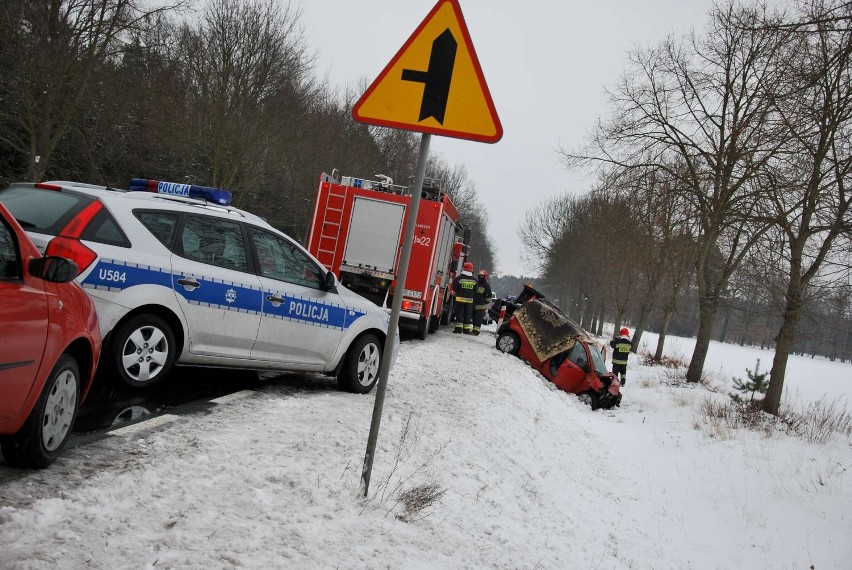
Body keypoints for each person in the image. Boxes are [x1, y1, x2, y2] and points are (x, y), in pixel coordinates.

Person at [452, 261, 477, 334]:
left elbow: (454, 288)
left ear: (463, 269)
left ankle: (458, 330)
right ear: (472, 270)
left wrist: (459, 292)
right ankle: (466, 330)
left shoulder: (459, 278)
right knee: (467, 315)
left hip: (459, 300)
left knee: (459, 315)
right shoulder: (475, 280)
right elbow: (476, 291)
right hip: (469, 301)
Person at [471, 269, 492, 336]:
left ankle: (476, 332)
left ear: (485, 277)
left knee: (478, 320)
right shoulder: (476, 283)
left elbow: (488, 297)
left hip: (481, 307)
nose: (480, 277)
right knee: (474, 319)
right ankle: (474, 330)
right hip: (474, 305)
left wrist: (485, 302)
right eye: (479, 275)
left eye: (482, 276)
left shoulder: (486, 285)